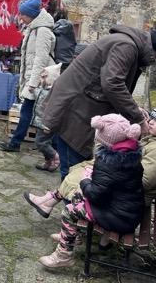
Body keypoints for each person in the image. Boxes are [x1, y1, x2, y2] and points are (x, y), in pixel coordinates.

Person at [42, 25, 156, 179]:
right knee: (73, 170)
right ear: (153, 52)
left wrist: (134, 108)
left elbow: (114, 84)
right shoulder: (126, 46)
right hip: (76, 109)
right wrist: (138, 119)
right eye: (155, 58)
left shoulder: (127, 44)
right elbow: (113, 84)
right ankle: (68, 193)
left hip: (81, 106)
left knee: (77, 167)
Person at [31, 114, 144, 269]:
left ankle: (63, 255)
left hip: (119, 217)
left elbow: (95, 194)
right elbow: (112, 185)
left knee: (69, 211)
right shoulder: (129, 155)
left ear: (105, 139)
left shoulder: (110, 162)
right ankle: (72, 236)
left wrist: (85, 180)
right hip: (127, 210)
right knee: (78, 196)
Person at [24, 105, 156, 220]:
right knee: (82, 171)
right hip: (124, 190)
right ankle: (48, 202)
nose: (151, 122)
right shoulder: (154, 140)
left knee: (81, 177)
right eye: (151, 118)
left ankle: (56, 209)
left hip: (126, 199)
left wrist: (109, 173)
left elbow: (145, 181)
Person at [0, 0, 55, 152]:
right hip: (34, 77)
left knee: (34, 112)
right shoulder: (34, 28)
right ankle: (16, 143)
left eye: (23, 14)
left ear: (31, 14)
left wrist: (32, 82)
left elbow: (40, 59)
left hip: (39, 80)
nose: (21, 17)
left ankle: (26, 144)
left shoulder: (42, 31)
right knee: (28, 111)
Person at [30, 63, 62, 171]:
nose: (41, 79)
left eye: (44, 77)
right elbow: (39, 97)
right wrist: (33, 90)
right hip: (41, 122)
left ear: (51, 79)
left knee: (40, 143)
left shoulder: (53, 93)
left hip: (47, 124)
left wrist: (49, 125)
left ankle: (55, 157)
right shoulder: (44, 89)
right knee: (43, 142)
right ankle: (48, 162)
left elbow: (54, 111)